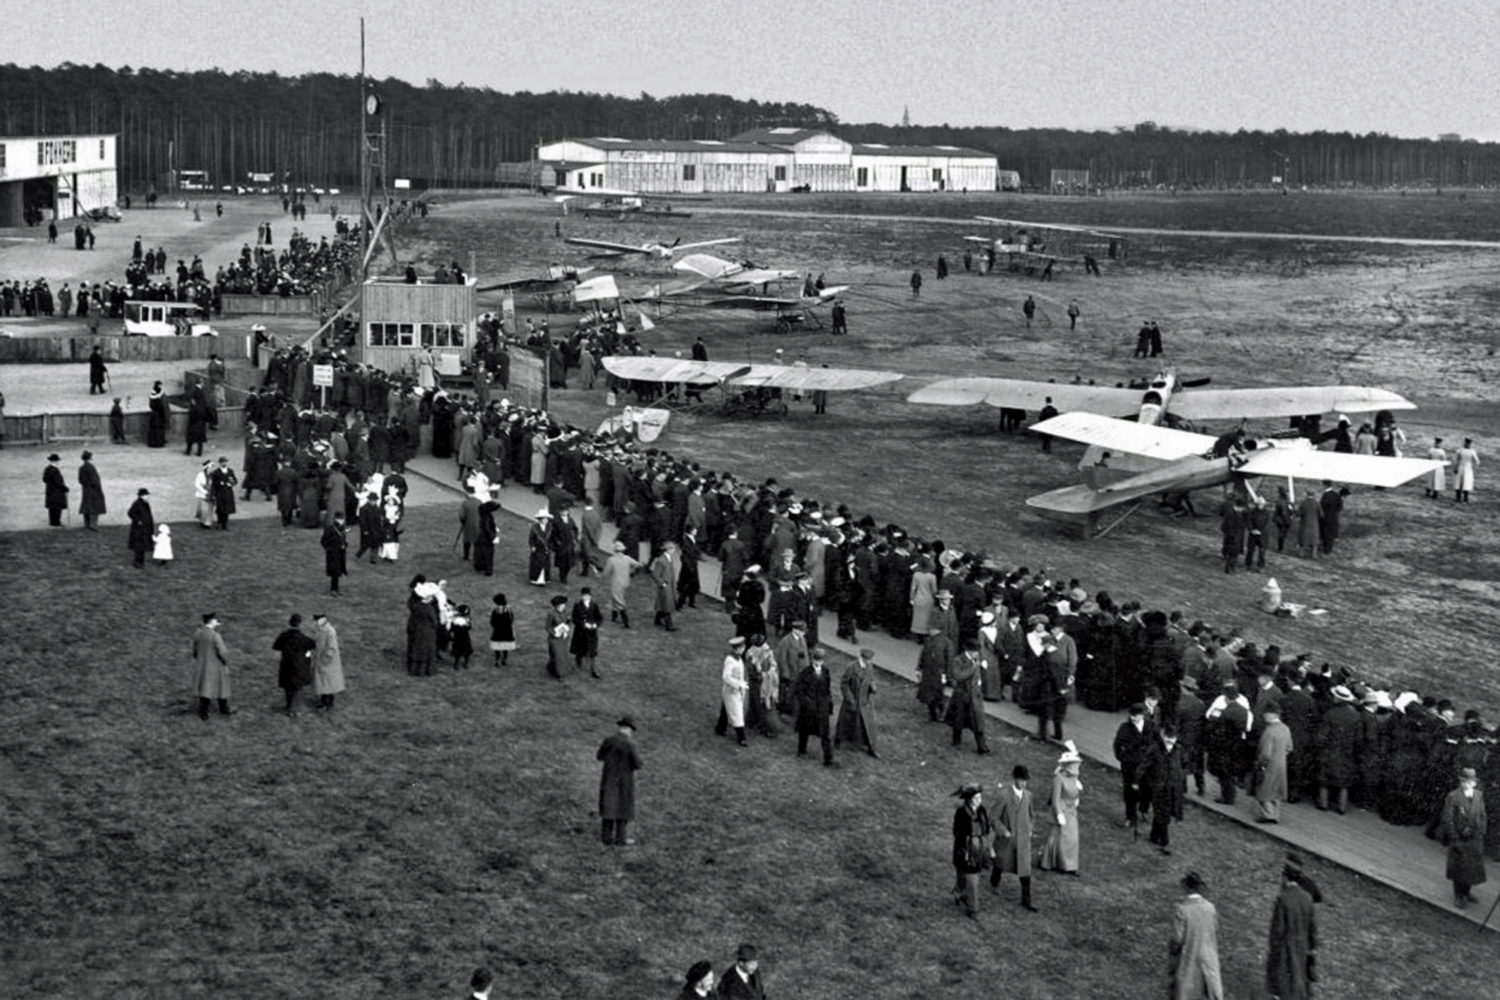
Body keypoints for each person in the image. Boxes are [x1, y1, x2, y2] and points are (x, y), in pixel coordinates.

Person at [1265, 863, 1317, 1000]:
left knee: (1282, 989)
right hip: (1302, 949)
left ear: (1285, 878)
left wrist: (1273, 954)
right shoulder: (1307, 898)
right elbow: (1312, 928)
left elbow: (1277, 932)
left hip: (1285, 951)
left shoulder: (1283, 899)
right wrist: (1311, 949)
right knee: (1299, 987)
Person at [1438, 767, 1488, 908]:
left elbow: (1483, 815)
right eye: (1465, 781)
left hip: (1475, 838)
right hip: (1460, 839)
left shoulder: (1479, 796)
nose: (1468, 784)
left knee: (1472, 869)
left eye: (1471, 781)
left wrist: (1482, 832)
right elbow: (1448, 819)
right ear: (1461, 781)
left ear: (1475, 783)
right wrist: (1455, 838)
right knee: (1459, 869)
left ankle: (1467, 892)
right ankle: (1459, 896)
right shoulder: (1453, 796)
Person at [989, 764, 1037, 911]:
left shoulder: (1028, 796)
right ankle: (994, 882)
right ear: (1014, 779)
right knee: (1001, 864)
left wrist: (1029, 829)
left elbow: (1031, 816)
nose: (1023, 783)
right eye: (1021, 780)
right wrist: (1003, 831)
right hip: (1007, 840)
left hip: (1022, 841)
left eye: (1025, 781)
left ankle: (1026, 899)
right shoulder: (1004, 795)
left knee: (1025, 870)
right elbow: (993, 817)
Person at [1170, 871, 1224, 1000]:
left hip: (1189, 960)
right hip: (1209, 961)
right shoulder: (1210, 908)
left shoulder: (1182, 910)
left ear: (1186, 887)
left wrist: (1172, 951)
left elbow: (1177, 939)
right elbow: (1214, 930)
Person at [1139, 724, 1186, 855]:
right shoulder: (1155, 749)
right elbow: (1144, 765)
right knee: (1163, 815)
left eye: (1173, 738)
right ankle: (1165, 842)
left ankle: (1154, 836)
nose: (1170, 741)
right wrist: (1137, 781)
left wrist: (1180, 776)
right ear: (1163, 736)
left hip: (1173, 787)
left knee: (1164, 813)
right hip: (1158, 787)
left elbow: (1185, 764)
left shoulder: (1179, 750)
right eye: (1168, 738)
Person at [1038, 743, 1083, 875]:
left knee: (1073, 838)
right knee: (1060, 837)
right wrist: (1059, 814)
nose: (1077, 766)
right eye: (1074, 764)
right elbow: (1055, 798)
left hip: (1071, 810)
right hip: (1062, 810)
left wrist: (1076, 800)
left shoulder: (1074, 777)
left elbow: (1075, 791)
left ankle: (1070, 865)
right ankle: (1054, 862)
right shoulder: (1058, 779)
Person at [597, 716, 641, 846]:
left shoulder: (608, 740)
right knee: (623, 809)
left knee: (608, 808)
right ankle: (621, 840)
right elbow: (637, 764)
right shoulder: (629, 744)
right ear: (628, 730)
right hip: (624, 781)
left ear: (620, 728)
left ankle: (606, 839)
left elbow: (599, 756)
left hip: (608, 780)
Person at [951, 783, 992, 919]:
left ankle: (960, 893)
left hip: (978, 849)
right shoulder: (962, 813)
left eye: (980, 797)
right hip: (965, 850)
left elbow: (986, 830)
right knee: (970, 878)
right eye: (976, 798)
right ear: (969, 800)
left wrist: (986, 846)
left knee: (968, 876)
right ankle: (973, 908)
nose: (979, 800)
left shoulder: (982, 811)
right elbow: (957, 832)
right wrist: (967, 844)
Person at [1114, 702, 1156, 833]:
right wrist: (1123, 758)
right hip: (1130, 766)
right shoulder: (1125, 728)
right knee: (1129, 792)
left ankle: (1143, 810)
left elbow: (1157, 744)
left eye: (1136, 716)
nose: (1133, 718)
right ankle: (1130, 817)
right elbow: (1117, 745)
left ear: (1143, 715)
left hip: (1147, 767)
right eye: (1131, 715)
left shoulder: (1151, 727)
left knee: (1147, 790)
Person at [945, 640, 990, 754]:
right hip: (962, 694)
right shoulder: (958, 660)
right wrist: (973, 668)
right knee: (958, 719)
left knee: (978, 721)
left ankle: (982, 747)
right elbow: (958, 676)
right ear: (968, 651)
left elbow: (980, 675)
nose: (977, 653)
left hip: (975, 695)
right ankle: (956, 741)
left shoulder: (976, 660)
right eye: (975, 651)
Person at [834, 647, 880, 758]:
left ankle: (871, 747)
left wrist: (872, 686)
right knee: (845, 723)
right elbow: (844, 684)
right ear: (862, 658)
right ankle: (838, 741)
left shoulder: (870, 667)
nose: (869, 662)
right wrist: (849, 699)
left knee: (868, 725)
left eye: (870, 660)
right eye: (867, 660)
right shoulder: (852, 667)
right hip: (852, 700)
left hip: (864, 702)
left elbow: (871, 678)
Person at [793, 647, 835, 765]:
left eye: (820, 660)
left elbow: (827, 689)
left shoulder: (826, 672)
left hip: (822, 707)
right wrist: (806, 702)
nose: (818, 662)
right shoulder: (806, 672)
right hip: (809, 708)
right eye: (816, 660)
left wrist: (828, 703)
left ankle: (828, 758)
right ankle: (801, 751)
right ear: (812, 659)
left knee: (825, 733)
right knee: (804, 730)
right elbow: (799, 691)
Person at [1254, 707, 1292, 824]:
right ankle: (1276, 814)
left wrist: (1261, 765)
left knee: (1264, 790)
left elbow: (1265, 754)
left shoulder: (1269, 731)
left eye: (1266, 714)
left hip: (1269, 765)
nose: (1264, 717)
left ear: (1272, 715)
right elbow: (1289, 747)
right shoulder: (1286, 728)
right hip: (1281, 763)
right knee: (1276, 790)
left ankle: (1268, 815)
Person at [272, 614, 316, 716]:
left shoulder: (284, 636)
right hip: (299, 666)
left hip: (286, 665)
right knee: (297, 688)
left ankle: (289, 706)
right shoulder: (304, 639)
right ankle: (294, 709)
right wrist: (307, 654)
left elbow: (275, 646)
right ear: (300, 624)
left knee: (288, 687)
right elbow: (313, 645)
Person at [191, 612, 232, 720]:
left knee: (204, 689)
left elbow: (195, 652)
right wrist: (226, 661)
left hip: (202, 666)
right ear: (211, 621)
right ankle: (224, 709)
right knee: (222, 688)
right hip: (216, 665)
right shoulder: (215, 635)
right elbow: (222, 652)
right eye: (215, 620)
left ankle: (203, 712)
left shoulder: (198, 634)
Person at [718, 636, 750, 746]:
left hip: (736, 690)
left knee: (726, 709)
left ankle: (720, 728)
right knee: (737, 713)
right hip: (732, 690)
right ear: (738, 648)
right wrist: (738, 684)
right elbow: (726, 677)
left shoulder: (738, 658)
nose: (744, 648)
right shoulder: (730, 660)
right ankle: (742, 737)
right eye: (742, 647)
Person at [312, 612, 345, 713]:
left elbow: (331, 648)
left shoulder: (330, 631)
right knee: (324, 684)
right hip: (322, 661)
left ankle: (327, 705)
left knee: (328, 684)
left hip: (327, 662)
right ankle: (324, 703)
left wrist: (325, 660)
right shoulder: (320, 629)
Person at [570, 588, 604, 678]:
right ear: (581, 596)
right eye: (584, 595)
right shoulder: (577, 605)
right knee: (579, 650)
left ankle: (593, 670)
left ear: (590, 596)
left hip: (591, 634)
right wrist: (584, 625)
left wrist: (595, 625)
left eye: (587, 595)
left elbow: (600, 618)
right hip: (580, 633)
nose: (585, 597)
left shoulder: (594, 605)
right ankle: (578, 665)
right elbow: (574, 619)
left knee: (592, 651)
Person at [321, 510, 349, 595]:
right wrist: (330, 548)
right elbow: (324, 541)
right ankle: (333, 589)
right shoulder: (330, 528)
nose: (342, 521)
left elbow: (343, 539)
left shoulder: (342, 528)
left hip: (340, 552)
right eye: (340, 519)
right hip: (333, 553)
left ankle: (336, 589)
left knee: (338, 571)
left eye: (343, 519)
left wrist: (345, 545)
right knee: (334, 571)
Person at [77, 450, 105, 530]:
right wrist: (97, 488)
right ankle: (93, 524)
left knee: (86, 505)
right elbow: (95, 480)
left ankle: (86, 523)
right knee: (95, 506)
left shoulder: (81, 468)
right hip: (93, 489)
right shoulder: (91, 467)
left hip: (85, 489)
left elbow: (80, 480)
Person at [545, 594, 571, 679]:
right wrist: (554, 633)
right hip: (554, 638)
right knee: (556, 655)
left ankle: (558, 669)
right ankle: (558, 673)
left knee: (562, 655)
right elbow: (548, 627)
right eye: (560, 606)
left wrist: (567, 628)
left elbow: (568, 622)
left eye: (563, 605)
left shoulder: (566, 612)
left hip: (563, 638)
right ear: (556, 606)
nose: (562, 607)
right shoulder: (551, 614)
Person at [127, 488, 154, 568]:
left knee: (142, 546)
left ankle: (141, 562)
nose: (147, 496)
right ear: (141, 496)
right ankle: (137, 563)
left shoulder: (145, 503)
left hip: (144, 528)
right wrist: (138, 520)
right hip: (138, 530)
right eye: (146, 495)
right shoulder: (137, 503)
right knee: (138, 546)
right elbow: (130, 513)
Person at [209, 456, 238, 530]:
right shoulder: (216, 472)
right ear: (220, 463)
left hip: (228, 492)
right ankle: (219, 522)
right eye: (222, 462)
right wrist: (213, 494)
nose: (224, 463)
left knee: (227, 509)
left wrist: (232, 483)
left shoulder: (230, 471)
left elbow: (235, 480)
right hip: (220, 492)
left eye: (225, 462)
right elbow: (214, 484)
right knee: (220, 508)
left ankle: (225, 524)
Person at [489, 593, 516, 667]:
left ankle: (497, 660)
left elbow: (492, 620)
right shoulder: (508, 608)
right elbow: (512, 619)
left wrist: (494, 626)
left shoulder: (495, 609)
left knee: (497, 645)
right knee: (505, 645)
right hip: (507, 629)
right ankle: (504, 659)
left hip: (498, 629)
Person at [43, 453, 68, 526]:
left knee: (52, 508)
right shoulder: (55, 470)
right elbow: (58, 482)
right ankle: (56, 522)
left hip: (50, 491)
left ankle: (52, 521)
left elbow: (44, 479)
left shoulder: (47, 469)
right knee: (58, 507)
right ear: (55, 461)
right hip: (57, 492)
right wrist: (65, 488)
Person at [1454, 437, 1479, 502]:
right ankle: (1458, 498)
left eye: (1469, 443)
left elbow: (1477, 461)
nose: (1467, 444)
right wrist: (1455, 467)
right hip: (1460, 467)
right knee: (1458, 482)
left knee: (1467, 483)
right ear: (1464, 442)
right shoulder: (1460, 450)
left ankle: (1465, 499)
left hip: (1468, 469)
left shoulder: (1472, 452)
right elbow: (1456, 459)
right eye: (1466, 443)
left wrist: (1474, 469)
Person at [146, 381, 169, 448]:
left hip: (157, 415)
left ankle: (157, 442)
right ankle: (156, 442)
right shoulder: (154, 394)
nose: (160, 387)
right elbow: (152, 404)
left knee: (157, 429)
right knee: (156, 429)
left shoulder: (159, 393)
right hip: (157, 414)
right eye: (159, 385)